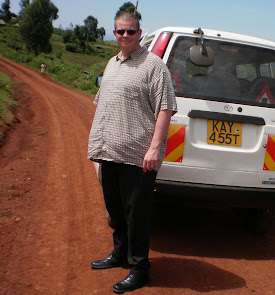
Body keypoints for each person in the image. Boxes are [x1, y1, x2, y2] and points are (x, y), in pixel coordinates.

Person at [87, 11, 177, 294]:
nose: (124, 36)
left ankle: (139, 268)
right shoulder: (111, 63)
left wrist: (153, 148)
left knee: (137, 215)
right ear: (113, 34)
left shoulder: (154, 66)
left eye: (130, 31)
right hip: (109, 150)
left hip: (138, 156)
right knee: (115, 209)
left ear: (139, 33)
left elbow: (165, 108)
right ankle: (119, 254)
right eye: (119, 32)